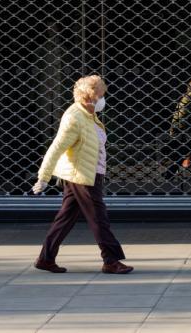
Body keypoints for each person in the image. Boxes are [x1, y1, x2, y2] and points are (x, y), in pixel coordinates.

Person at [32, 75, 133, 274]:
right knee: (99, 218)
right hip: (83, 176)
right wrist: (43, 177)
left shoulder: (88, 114)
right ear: (89, 97)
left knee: (65, 218)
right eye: (101, 95)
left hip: (86, 174)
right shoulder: (74, 118)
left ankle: (45, 259)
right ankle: (111, 260)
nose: (103, 99)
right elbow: (56, 148)